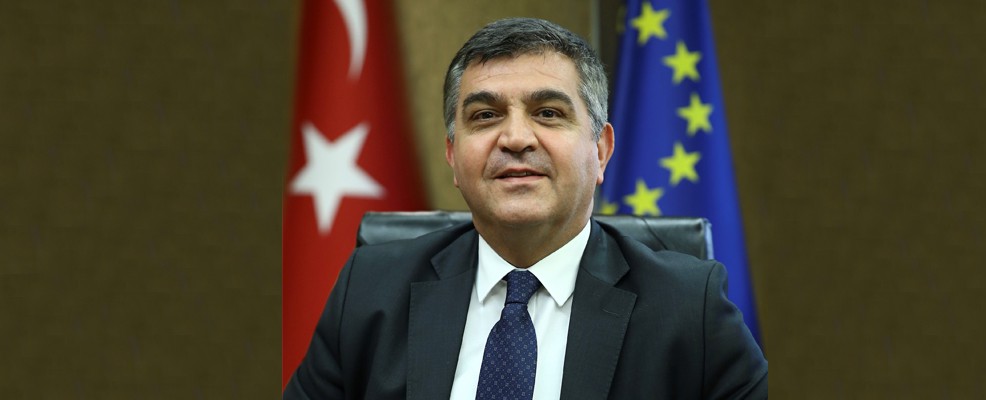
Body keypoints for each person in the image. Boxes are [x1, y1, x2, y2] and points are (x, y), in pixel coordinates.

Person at [283, 17, 767, 399]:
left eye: (548, 113)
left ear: (600, 151)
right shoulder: (370, 292)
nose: (515, 138)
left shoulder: (690, 314)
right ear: (453, 156)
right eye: (485, 115)